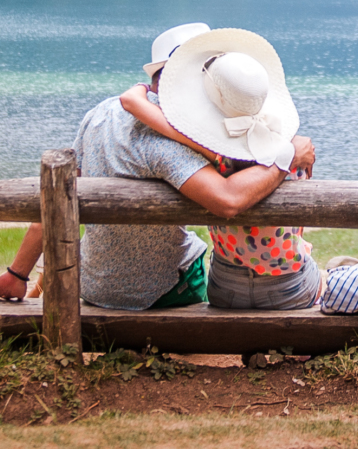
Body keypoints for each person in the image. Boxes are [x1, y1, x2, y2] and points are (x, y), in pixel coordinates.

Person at [0, 23, 315, 309]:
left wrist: (17, 274)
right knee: (197, 248)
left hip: (94, 286)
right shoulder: (172, 141)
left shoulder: (98, 114)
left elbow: (54, 204)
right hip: (158, 292)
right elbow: (227, 200)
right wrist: (286, 156)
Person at [120, 27, 325, 309]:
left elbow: (138, 107)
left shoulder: (207, 153)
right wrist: (287, 152)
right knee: (320, 279)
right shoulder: (293, 155)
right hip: (286, 288)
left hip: (225, 287)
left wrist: (141, 92)